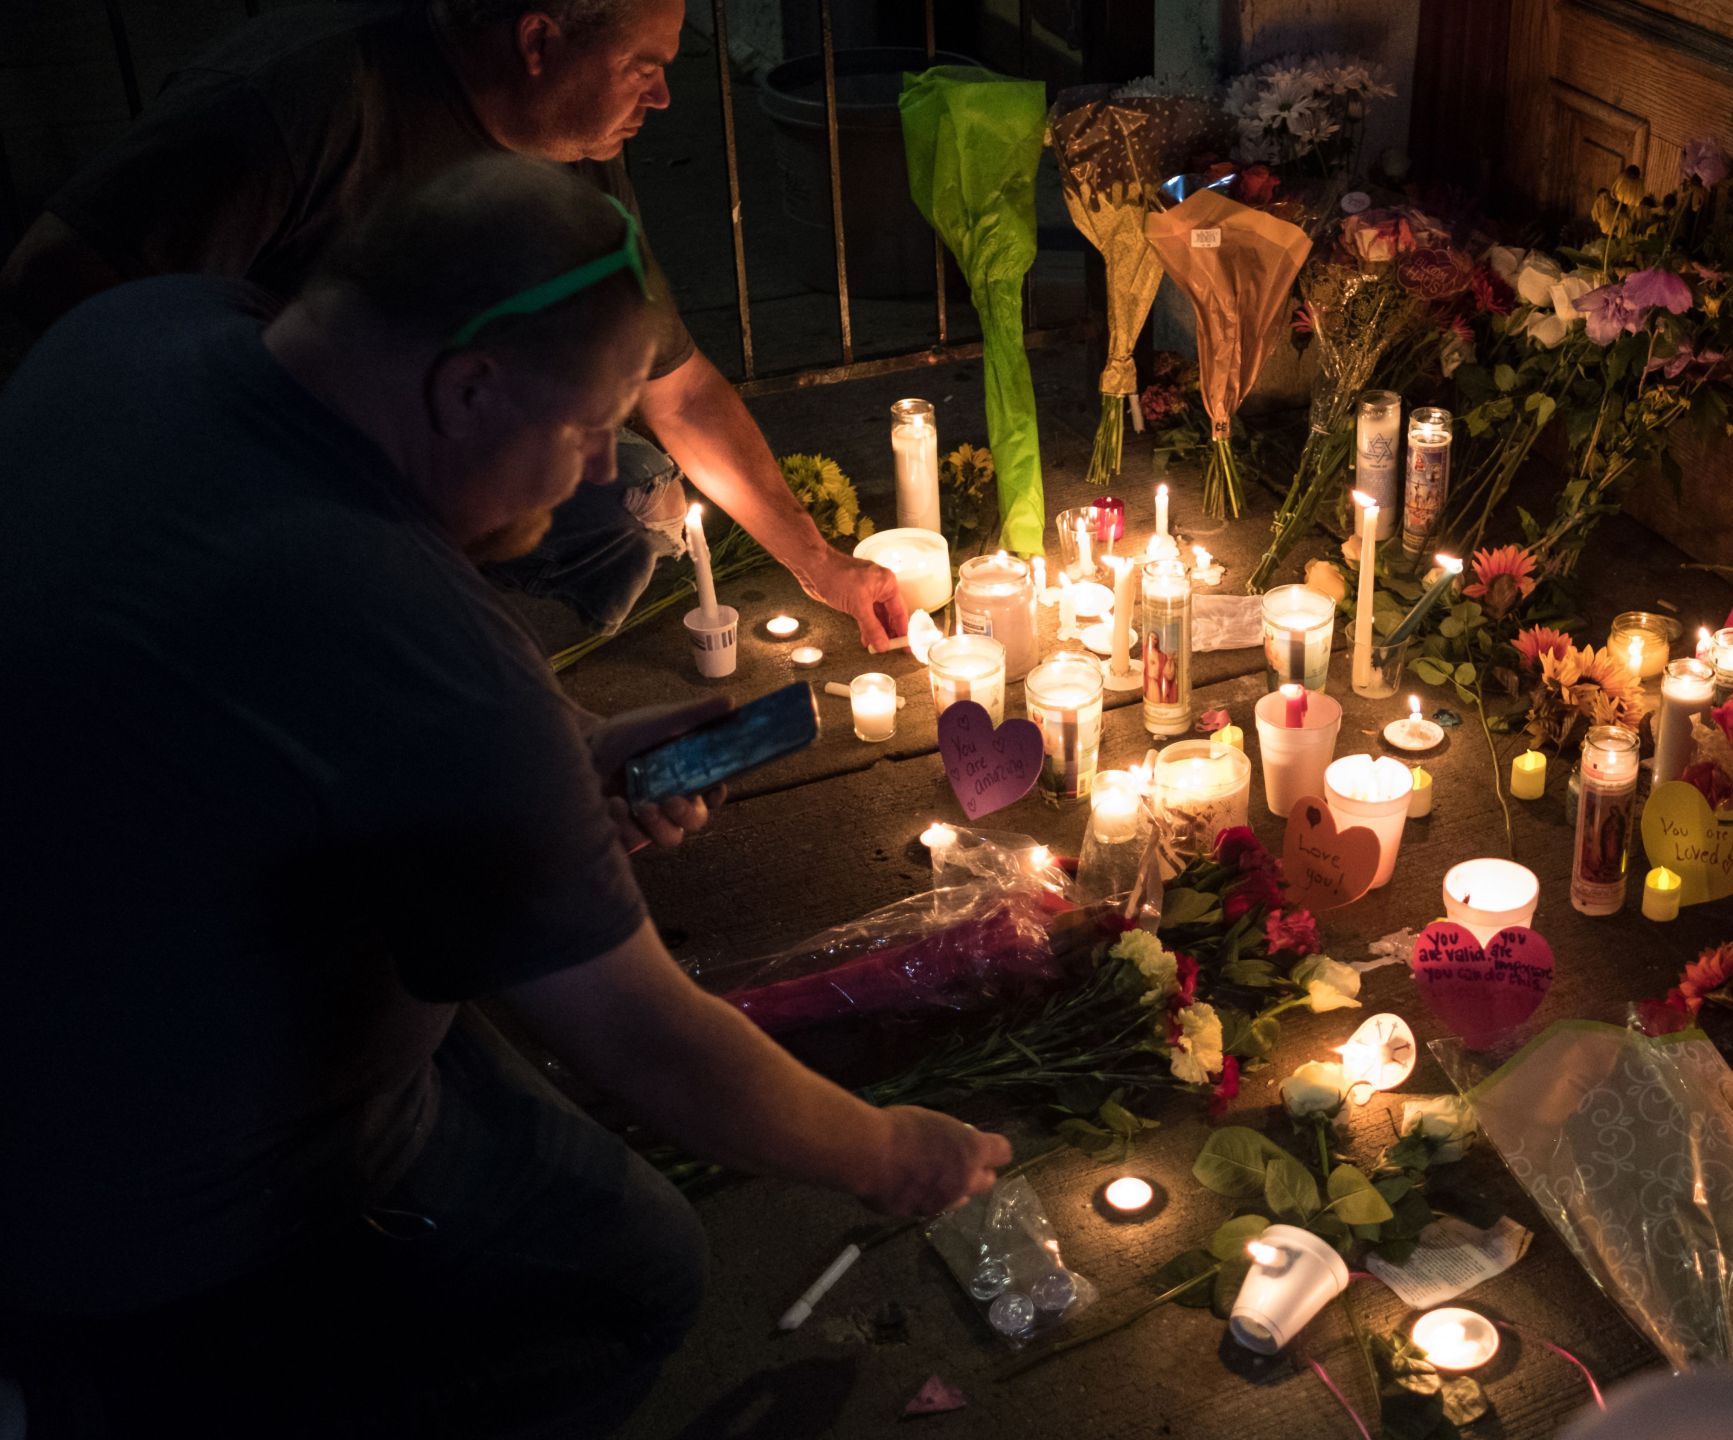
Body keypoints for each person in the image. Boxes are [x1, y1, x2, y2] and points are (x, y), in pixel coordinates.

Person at [0, 156, 1009, 1439]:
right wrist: (889, 1154)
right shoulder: (424, 661)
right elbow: (649, 1040)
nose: (597, 473)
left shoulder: (142, 331)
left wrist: (563, 755)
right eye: (590, 428)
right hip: (159, 1195)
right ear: (468, 384)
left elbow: (266, 711)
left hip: (112, 943)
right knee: (630, 1277)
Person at [0, 0, 908, 645]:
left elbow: (676, 388)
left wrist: (821, 564)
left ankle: (460, 632)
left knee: (629, 498)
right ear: (539, 41)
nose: (664, 97)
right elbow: (50, 273)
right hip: (240, 475)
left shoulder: (576, 138)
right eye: (644, 66)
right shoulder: (305, 99)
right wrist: (264, 448)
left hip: (437, 446)